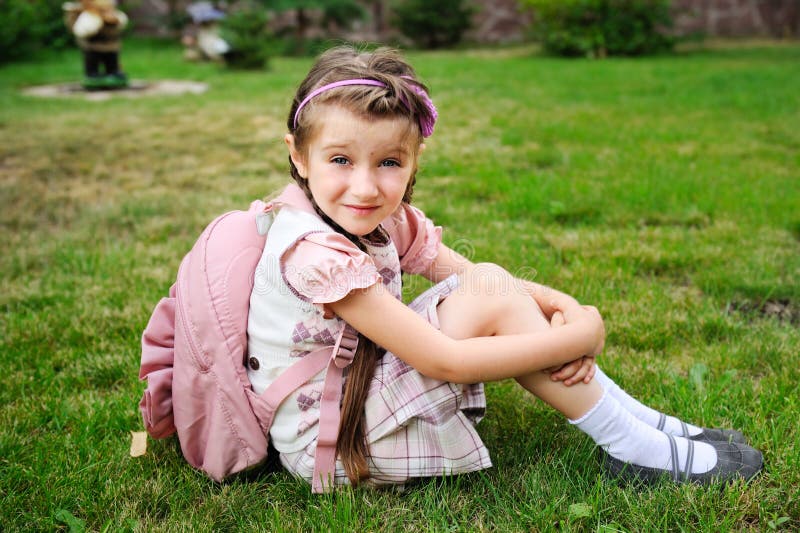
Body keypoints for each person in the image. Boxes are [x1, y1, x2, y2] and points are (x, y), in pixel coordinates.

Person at [245, 45, 763, 489]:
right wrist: (578, 337)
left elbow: (478, 279)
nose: (365, 187)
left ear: (414, 160)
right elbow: (446, 363)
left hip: (355, 393)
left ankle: (641, 426)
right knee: (491, 293)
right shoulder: (314, 253)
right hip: (330, 445)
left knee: (488, 281)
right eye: (340, 160)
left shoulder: (376, 218)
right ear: (299, 156)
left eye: (388, 163)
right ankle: (632, 446)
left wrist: (565, 307)